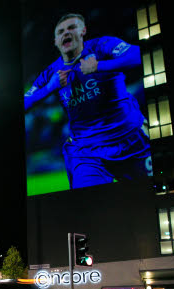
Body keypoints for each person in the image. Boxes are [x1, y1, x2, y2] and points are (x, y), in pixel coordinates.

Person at [24, 13, 151, 188]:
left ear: (83, 31)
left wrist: (99, 66)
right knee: (90, 206)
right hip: (87, 153)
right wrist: (49, 88)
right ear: (55, 41)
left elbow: (138, 55)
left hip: (131, 141)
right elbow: (24, 103)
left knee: (155, 196)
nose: (66, 33)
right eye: (60, 31)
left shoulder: (102, 46)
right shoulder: (51, 73)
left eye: (71, 28)